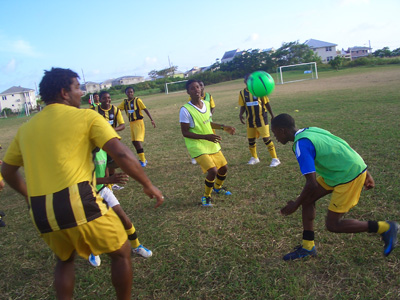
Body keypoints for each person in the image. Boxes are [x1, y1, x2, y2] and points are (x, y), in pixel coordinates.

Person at [1, 67, 164, 300]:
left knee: (64, 260)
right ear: (64, 92)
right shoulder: (86, 116)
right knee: (121, 252)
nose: (82, 94)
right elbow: (122, 154)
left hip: (40, 211)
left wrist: (28, 195)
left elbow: (6, 171)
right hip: (77, 201)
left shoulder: (25, 129)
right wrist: (148, 184)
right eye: (78, 88)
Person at [270, 113, 398, 261]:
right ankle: (308, 246)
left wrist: (295, 205)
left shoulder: (301, 145)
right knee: (308, 200)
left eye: (275, 134)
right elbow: (342, 145)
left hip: (347, 175)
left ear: (283, 130)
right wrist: (366, 170)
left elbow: (311, 184)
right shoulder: (311, 130)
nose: (276, 138)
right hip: (337, 172)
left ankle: (385, 227)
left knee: (333, 225)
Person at [88, 148, 153, 267]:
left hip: (103, 189)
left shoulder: (103, 149)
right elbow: (81, 181)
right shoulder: (82, 153)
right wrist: (108, 179)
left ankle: (136, 246)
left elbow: (106, 168)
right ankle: (93, 251)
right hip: (86, 193)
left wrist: (108, 184)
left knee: (124, 219)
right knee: (95, 225)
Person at [180, 79, 236, 207]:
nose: (197, 90)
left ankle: (218, 187)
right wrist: (206, 136)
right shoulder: (185, 110)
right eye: (193, 88)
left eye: (198, 87)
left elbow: (208, 122)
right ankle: (206, 197)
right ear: (188, 92)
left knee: (224, 168)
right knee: (213, 171)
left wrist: (223, 127)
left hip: (210, 141)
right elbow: (185, 132)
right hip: (197, 145)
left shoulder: (206, 103)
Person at [238, 74, 280, 167]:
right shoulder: (242, 93)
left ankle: (275, 159)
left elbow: (267, 103)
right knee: (251, 140)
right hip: (250, 120)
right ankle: (254, 158)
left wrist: (272, 115)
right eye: (247, 80)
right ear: (244, 82)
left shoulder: (259, 90)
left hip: (261, 118)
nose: (248, 81)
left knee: (266, 138)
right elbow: (243, 105)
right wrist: (240, 114)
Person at [93, 91, 125, 190]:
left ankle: (110, 184)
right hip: (99, 141)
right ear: (100, 99)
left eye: (109, 98)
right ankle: (107, 185)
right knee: (103, 163)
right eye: (104, 98)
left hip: (111, 140)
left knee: (111, 163)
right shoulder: (95, 110)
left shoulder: (115, 110)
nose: (107, 100)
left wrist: (111, 130)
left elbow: (122, 125)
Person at [117, 87, 155, 167]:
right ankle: (142, 159)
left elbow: (145, 109)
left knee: (137, 141)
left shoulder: (137, 100)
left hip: (138, 122)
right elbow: (117, 110)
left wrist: (151, 119)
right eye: (128, 92)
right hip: (132, 124)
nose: (130, 93)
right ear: (126, 93)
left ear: (133, 93)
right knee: (134, 142)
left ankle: (143, 160)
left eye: (131, 92)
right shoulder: (125, 102)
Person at [189, 81, 217, 165]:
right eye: (198, 86)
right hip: (197, 123)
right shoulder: (193, 97)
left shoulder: (208, 96)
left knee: (211, 138)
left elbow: (213, 107)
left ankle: (210, 154)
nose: (199, 88)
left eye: (201, 86)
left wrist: (210, 114)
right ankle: (195, 156)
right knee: (197, 140)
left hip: (208, 121)